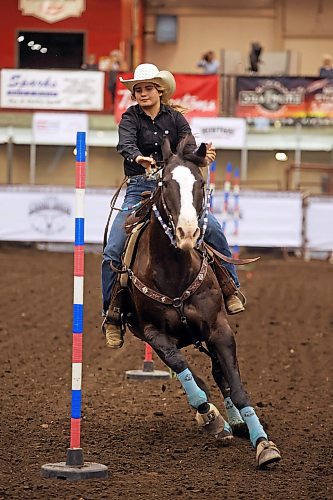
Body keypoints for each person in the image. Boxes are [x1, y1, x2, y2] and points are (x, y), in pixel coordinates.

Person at [101, 63, 245, 348]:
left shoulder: (176, 119)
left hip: (175, 189)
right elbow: (125, 145)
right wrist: (138, 158)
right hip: (140, 189)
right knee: (113, 249)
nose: (143, 93)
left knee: (213, 228)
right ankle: (113, 314)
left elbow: (187, 148)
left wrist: (202, 156)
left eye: (148, 88)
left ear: (159, 91)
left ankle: (231, 288)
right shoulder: (130, 118)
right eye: (138, 89)